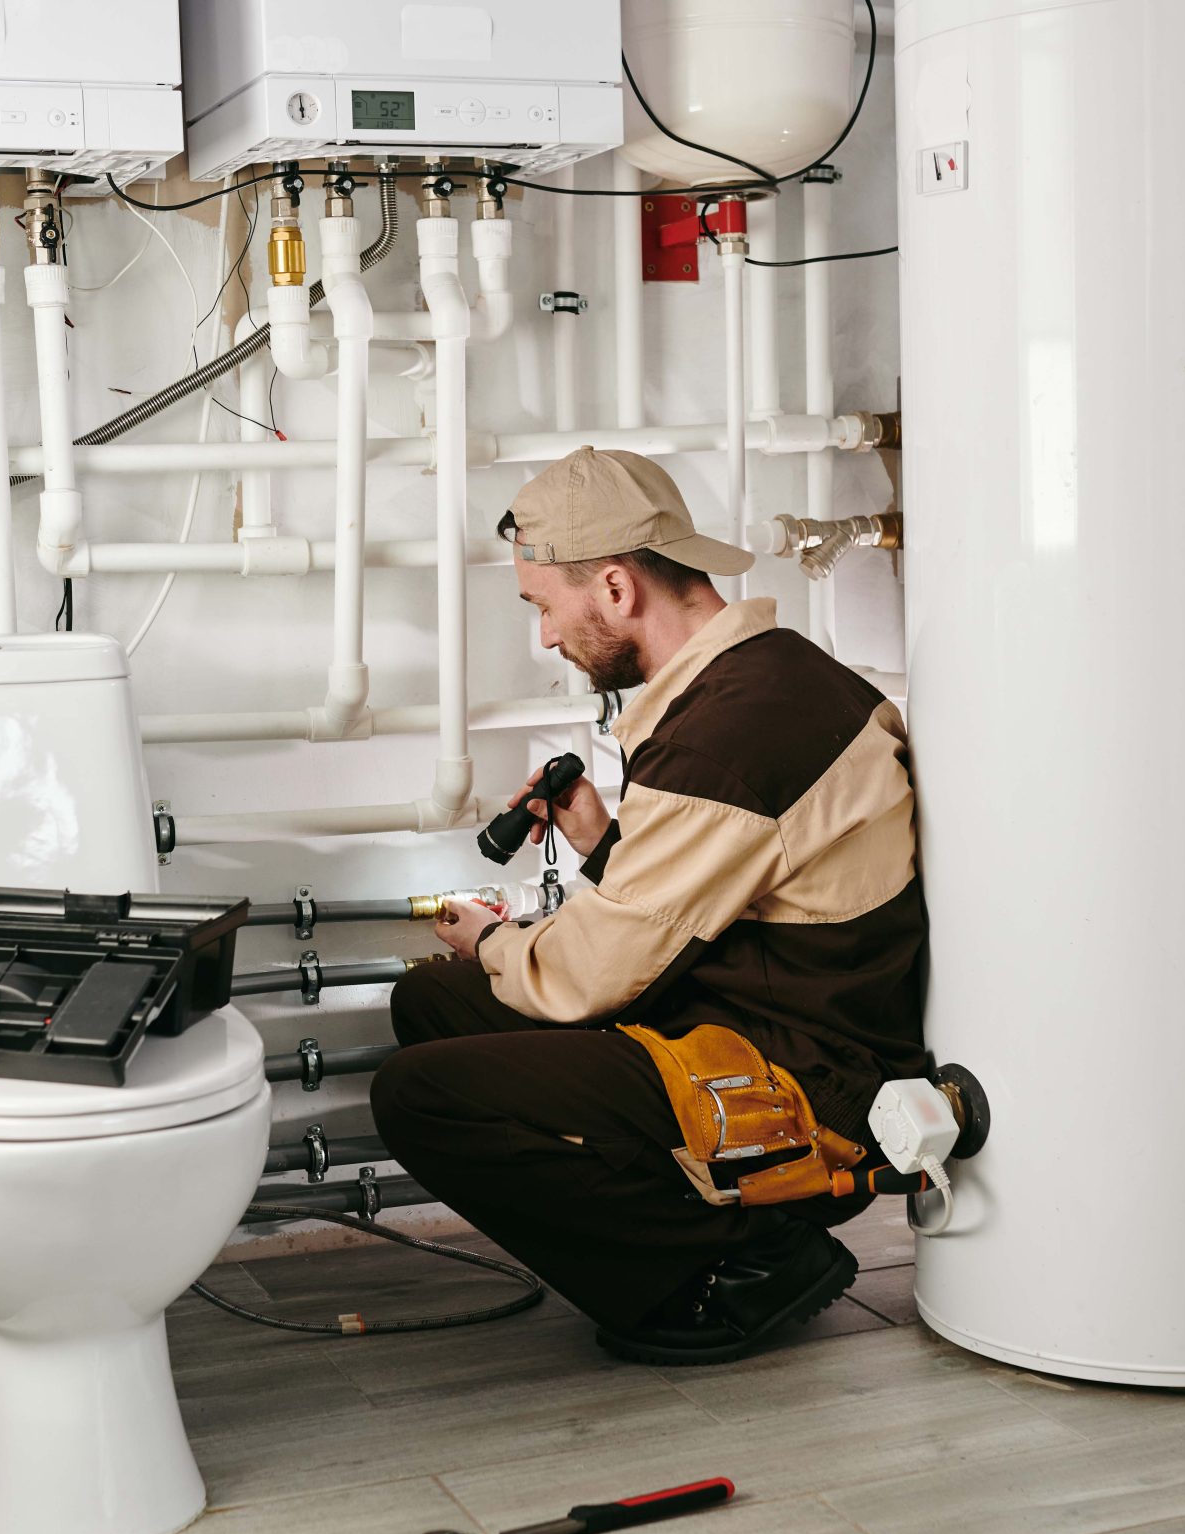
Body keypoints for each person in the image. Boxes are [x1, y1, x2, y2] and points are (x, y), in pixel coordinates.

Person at [371, 446, 934, 1365]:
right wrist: (605, 844)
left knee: (420, 1095)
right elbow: (731, 887)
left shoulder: (730, 735)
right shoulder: (760, 678)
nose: (547, 637)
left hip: (802, 1075)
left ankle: (731, 1271)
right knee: (428, 1003)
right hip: (745, 1002)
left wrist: (493, 942)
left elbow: (586, 977)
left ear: (618, 588)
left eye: (544, 607)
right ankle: (694, 1230)